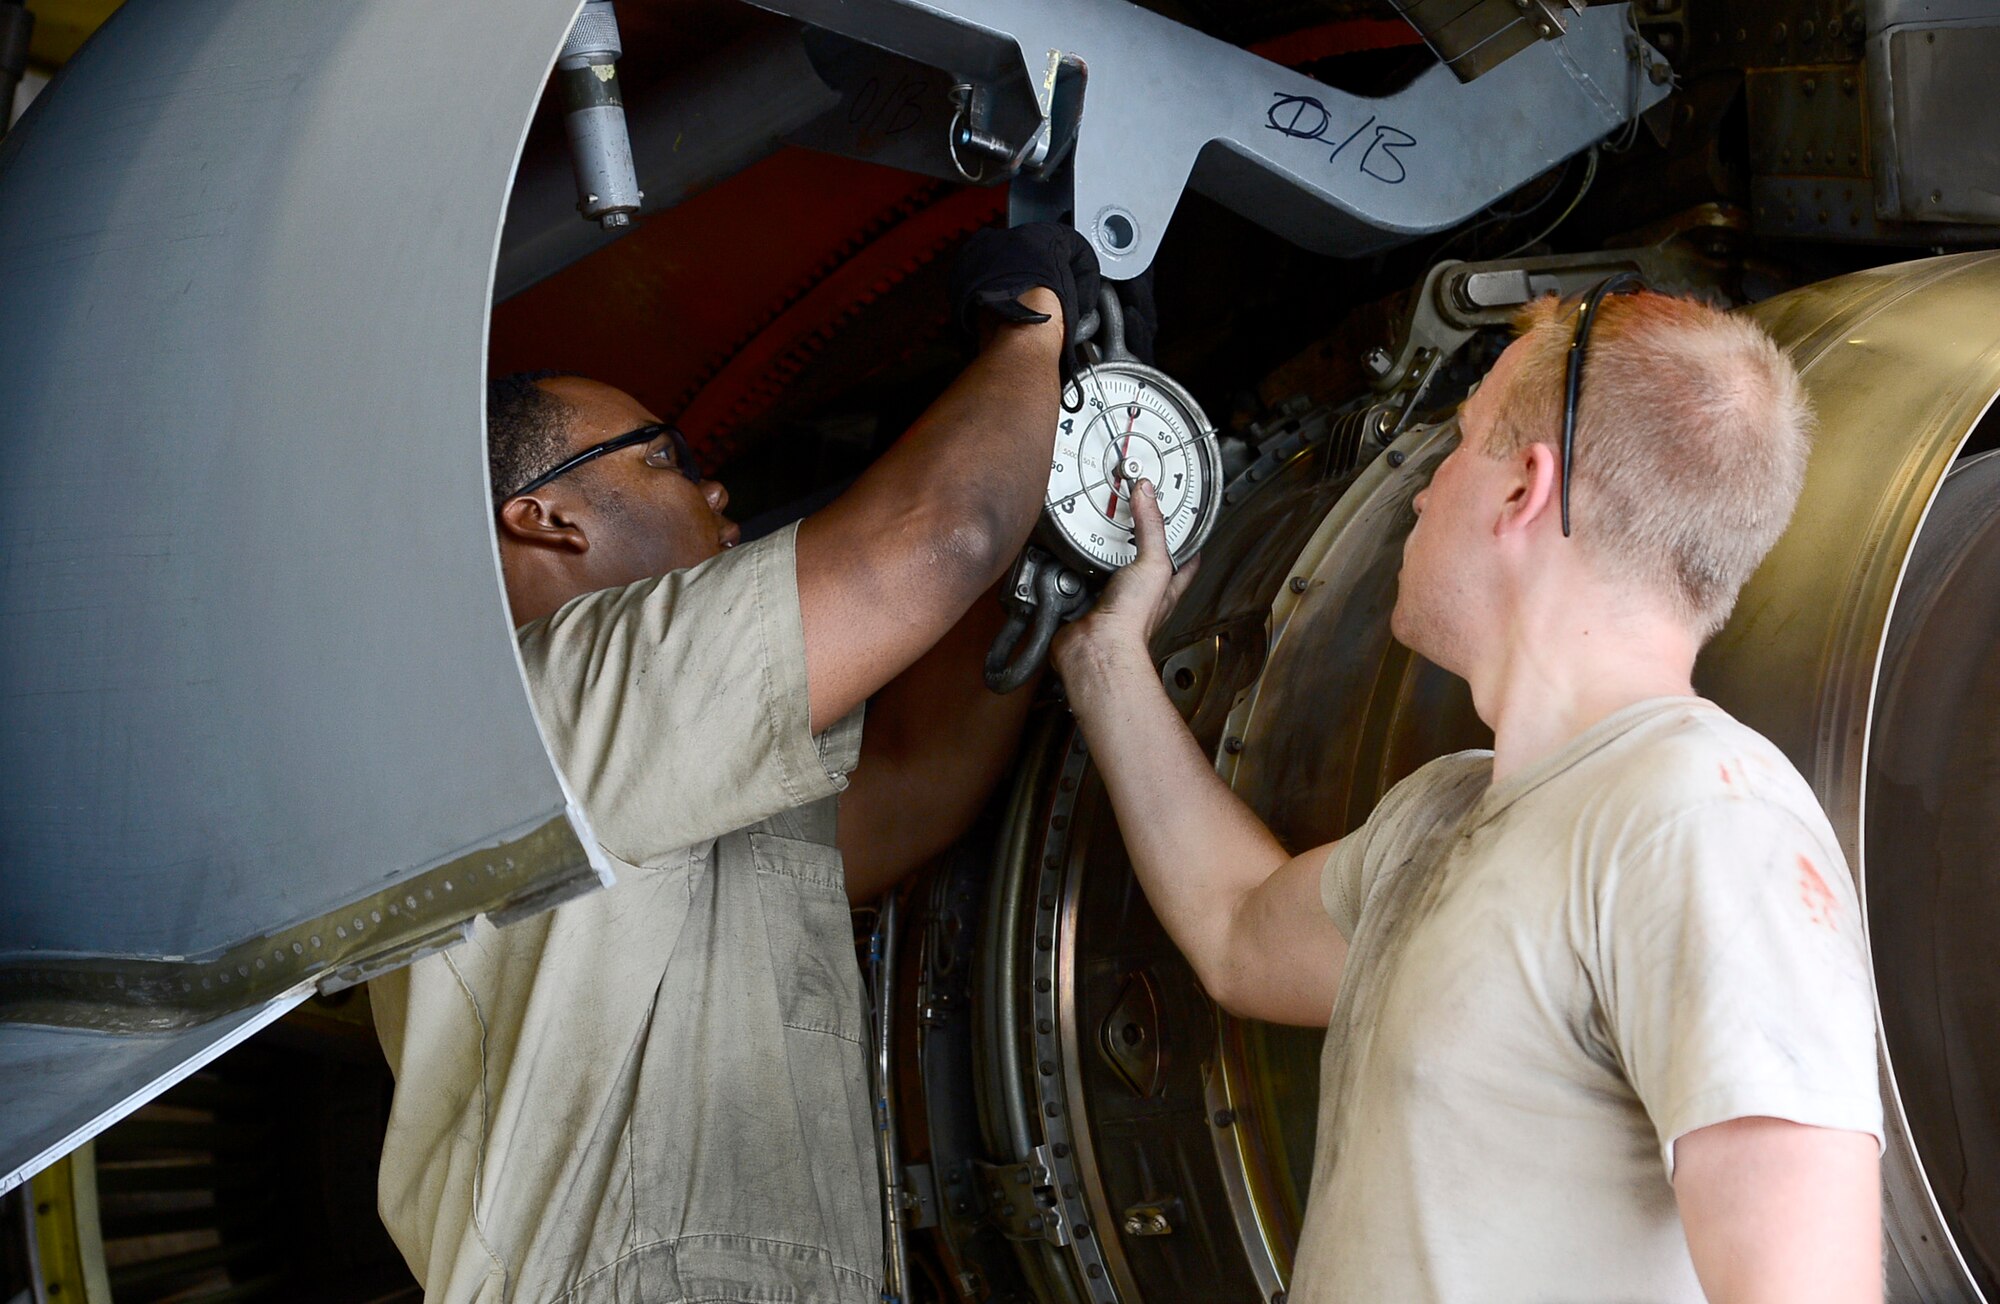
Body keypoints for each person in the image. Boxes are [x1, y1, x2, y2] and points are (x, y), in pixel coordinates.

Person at [1052, 288, 1884, 1303]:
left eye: (1459, 441)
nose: (1416, 491)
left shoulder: (1705, 820)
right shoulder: (1444, 813)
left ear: (1520, 490)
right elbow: (1235, 930)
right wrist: (1106, 663)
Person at [369, 223, 1099, 1304]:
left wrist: (1034, 499)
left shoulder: (646, 760)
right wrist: (1028, 335)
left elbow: (915, 775)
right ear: (544, 516)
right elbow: (936, 538)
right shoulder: (548, 699)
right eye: (667, 458)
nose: (717, 494)